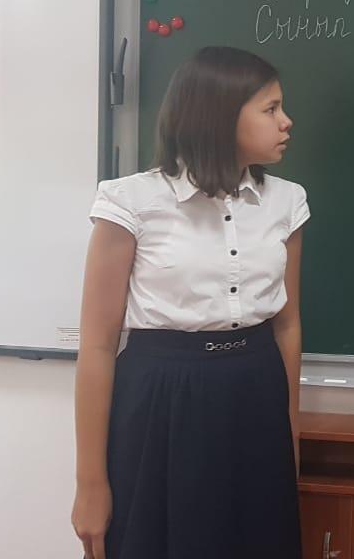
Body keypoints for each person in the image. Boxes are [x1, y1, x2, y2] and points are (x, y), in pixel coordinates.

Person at [71, 46, 309, 559]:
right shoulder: (130, 202)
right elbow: (97, 345)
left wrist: (289, 435)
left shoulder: (286, 202)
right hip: (161, 397)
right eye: (270, 108)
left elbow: (288, 326)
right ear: (220, 115)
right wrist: (90, 482)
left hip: (255, 391)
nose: (286, 121)